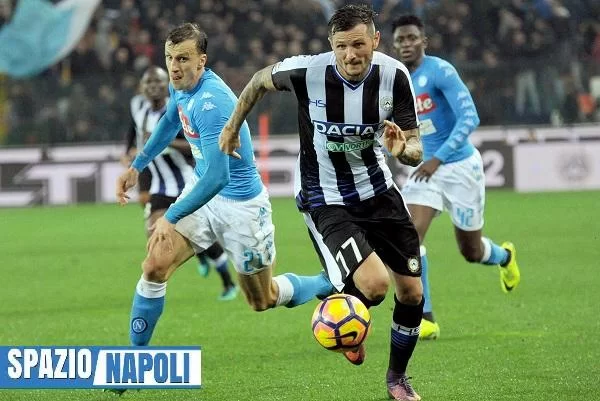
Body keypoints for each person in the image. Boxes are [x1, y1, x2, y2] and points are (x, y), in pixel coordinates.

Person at [220, 5, 424, 401]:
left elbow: (414, 145)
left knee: (412, 293)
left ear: (375, 41)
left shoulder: (395, 76)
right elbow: (259, 81)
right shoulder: (307, 71)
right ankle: (344, 317)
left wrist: (404, 151)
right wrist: (231, 128)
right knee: (375, 286)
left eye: (359, 44)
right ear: (331, 45)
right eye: (341, 46)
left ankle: (396, 378)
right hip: (325, 196)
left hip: (378, 190)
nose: (350, 55)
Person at [114, 22, 334, 376]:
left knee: (262, 299)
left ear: (201, 60)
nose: (174, 66)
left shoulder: (213, 103)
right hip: (201, 190)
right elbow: (169, 122)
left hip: (241, 207)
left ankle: (328, 282)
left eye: (183, 58)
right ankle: (133, 363)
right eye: (170, 58)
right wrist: (137, 165)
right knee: (154, 265)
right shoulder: (180, 87)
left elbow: (219, 177)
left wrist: (170, 216)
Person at [391, 15, 521, 340]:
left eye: (411, 38)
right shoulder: (395, 80)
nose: (406, 44)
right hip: (424, 171)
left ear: (424, 41)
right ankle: (425, 317)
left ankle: (505, 256)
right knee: (409, 237)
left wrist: (438, 159)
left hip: (460, 167)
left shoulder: (440, 71)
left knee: (471, 251)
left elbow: (470, 118)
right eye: (401, 40)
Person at [121, 65, 238, 301]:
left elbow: (195, 146)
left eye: (158, 82)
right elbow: (133, 134)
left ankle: (228, 282)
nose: (154, 86)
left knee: (202, 237)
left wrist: (166, 142)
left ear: (167, 85)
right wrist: (129, 154)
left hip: (185, 184)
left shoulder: (178, 110)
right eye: (149, 82)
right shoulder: (139, 110)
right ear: (142, 87)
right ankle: (166, 278)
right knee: (154, 236)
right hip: (159, 186)